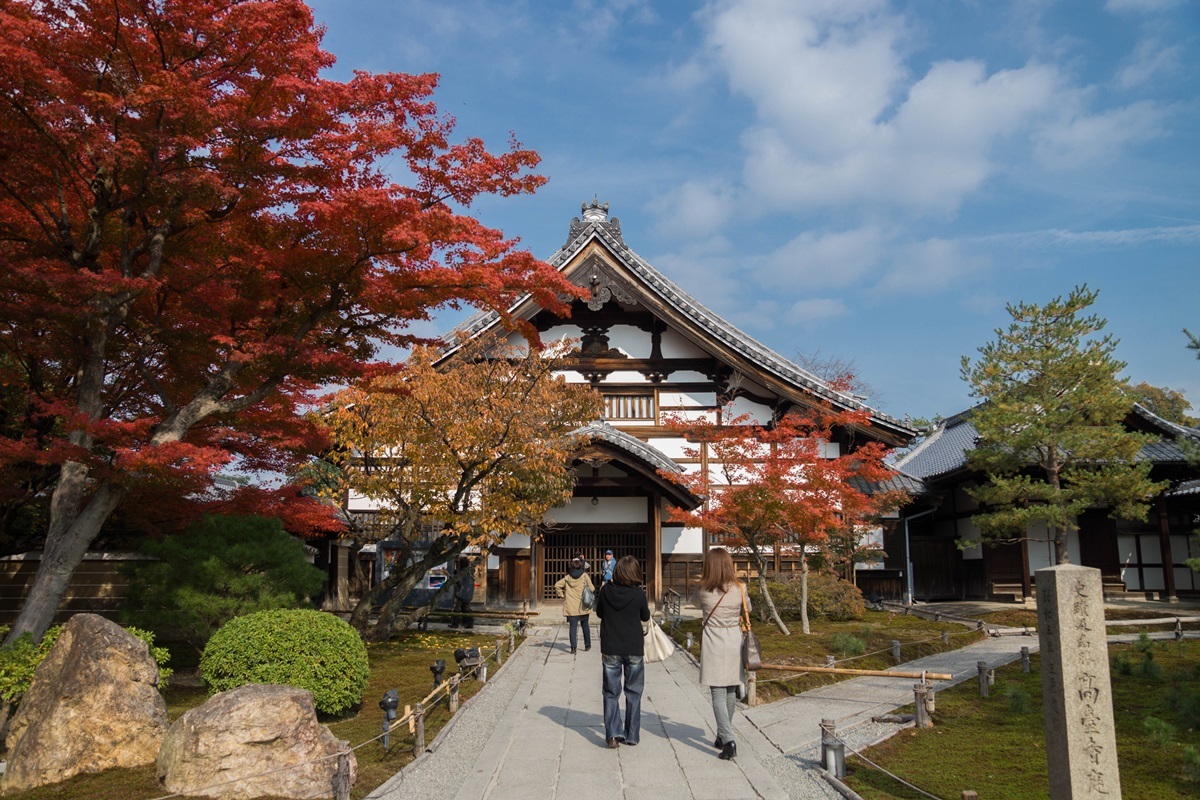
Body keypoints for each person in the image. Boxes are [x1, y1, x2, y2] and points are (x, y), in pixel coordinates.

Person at [595, 555, 650, 748]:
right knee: (634, 692)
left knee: (611, 692)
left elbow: (599, 612)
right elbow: (646, 616)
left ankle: (612, 734)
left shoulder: (606, 591)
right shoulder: (638, 594)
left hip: (611, 645)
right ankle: (632, 734)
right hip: (633, 646)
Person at [698, 547, 747, 761]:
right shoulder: (740, 588)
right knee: (729, 690)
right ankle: (721, 734)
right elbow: (748, 609)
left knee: (717, 691)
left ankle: (728, 740)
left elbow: (693, 604)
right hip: (734, 639)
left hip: (713, 640)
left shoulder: (703, 590)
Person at [555, 557, 595, 654]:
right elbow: (592, 588)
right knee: (585, 625)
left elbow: (557, 585)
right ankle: (587, 645)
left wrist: (561, 594)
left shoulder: (567, 577)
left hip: (571, 607)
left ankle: (573, 648)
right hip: (583, 606)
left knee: (573, 627)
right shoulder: (585, 576)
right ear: (581, 566)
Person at [449, 557, 475, 630]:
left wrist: (448, 574)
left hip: (461, 593)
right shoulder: (470, 571)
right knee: (466, 608)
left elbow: (457, 580)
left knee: (456, 609)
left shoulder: (461, 572)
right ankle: (469, 623)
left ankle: (455, 623)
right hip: (469, 593)